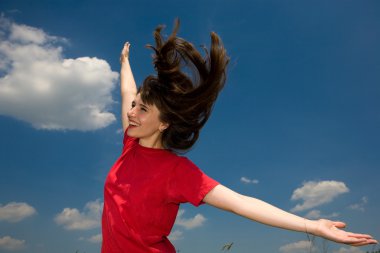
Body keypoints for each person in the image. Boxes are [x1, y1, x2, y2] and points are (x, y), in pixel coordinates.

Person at [101, 20, 377, 253]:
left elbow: (241, 203)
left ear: (164, 124)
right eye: (135, 106)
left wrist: (313, 225)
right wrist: (125, 62)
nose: (132, 113)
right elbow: (128, 92)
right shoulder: (131, 143)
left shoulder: (176, 171)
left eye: (143, 109)